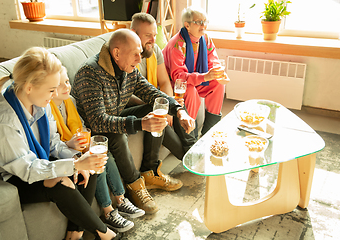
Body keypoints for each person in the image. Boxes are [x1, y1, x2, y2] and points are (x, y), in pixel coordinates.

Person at [0, 47, 120, 240]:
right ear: (29, 87)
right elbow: (26, 169)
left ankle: (75, 231)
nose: (54, 95)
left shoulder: (39, 101)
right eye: (51, 90)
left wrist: (77, 160)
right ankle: (106, 235)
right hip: (5, 174)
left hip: (32, 160)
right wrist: (73, 165)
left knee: (88, 168)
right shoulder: (1, 119)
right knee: (60, 181)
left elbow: (53, 142)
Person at [72, 29, 195, 214]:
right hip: (91, 129)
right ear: (116, 53)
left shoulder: (129, 69)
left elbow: (152, 93)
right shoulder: (90, 73)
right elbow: (98, 121)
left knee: (154, 109)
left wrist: (179, 111)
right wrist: (139, 124)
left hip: (114, 116)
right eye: (135, 54)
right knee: (118, 136)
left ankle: (150, 172)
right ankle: (135, 186)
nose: (140, 59)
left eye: (140, 53)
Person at [50, 66, 145, 233]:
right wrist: (71, 145)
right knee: (94, 162)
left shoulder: (69, 101)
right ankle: (108, 213)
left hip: (76, 146)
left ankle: (121, 200)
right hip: (63, 153)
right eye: (60, 84)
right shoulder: (46, 108)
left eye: (67, 81)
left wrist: (85, 138)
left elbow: (83, 125)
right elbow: (52, 145)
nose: (67, 86)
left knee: (104, 154)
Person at [130, 12, 197, 160]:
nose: (153, 40)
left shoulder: (154, 51)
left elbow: (165, 82)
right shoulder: (126, 56)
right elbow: (128, 95)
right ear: (134, 33)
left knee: (176, 102)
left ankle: (192, 147)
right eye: (148, 35)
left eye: (154, 35)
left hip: (151, 96)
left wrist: (168, 105)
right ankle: (188, 155)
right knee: (159, 109)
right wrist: (162, 106)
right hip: (137, 103)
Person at [162, 6, 230, 136]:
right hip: (175, 84)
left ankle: (210, 131)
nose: (203, 25)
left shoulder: (205, 39)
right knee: (191, 90)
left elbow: (213, 60)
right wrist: (204, 77)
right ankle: (189, 133)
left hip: (196, 78)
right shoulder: (177, 44)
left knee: (219, 84)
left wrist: (219, 73)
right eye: (199, 22)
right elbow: (178, 77)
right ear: (187, 25)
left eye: (205, 22)